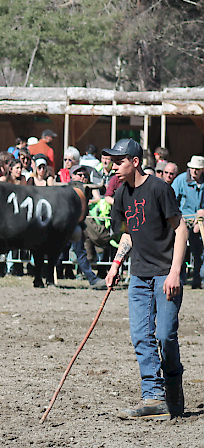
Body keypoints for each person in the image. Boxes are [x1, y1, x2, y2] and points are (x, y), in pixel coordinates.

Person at [104, 138, 187, 421]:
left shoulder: (160, 189)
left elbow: (181, 228)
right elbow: (129, 233)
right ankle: (153, 396)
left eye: (119, 161)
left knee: (165, 335)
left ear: (135, 162)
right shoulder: (122, 195)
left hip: (166, 273)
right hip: (138, 275)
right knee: (141, 336)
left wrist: (175, 271)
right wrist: (116, 264)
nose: (113, 166)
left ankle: (173, 381)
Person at [171, 155, 204, 289]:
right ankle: (180, 278)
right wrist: (178, 217)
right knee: (181, 250)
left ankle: (198, 278)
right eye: (192, 168)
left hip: (200, 223)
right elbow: (171, 201)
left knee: (199, 252)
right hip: (182, 221)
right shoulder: (180, 180)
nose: (194, 171)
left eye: (197, 169)